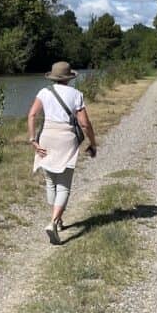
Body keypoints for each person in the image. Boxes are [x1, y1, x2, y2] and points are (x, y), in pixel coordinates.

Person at [27, 61, 97, 244]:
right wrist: (93, 143)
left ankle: (58, 220)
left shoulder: (44, 92)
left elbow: (32, 115)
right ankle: (53, 223)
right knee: (64, 185)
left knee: (51, 182)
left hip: (46, 137)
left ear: (53, 77)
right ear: (69, 78)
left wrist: (33, 140)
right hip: (66, 139)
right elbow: (84, 123)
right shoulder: (76, 94)